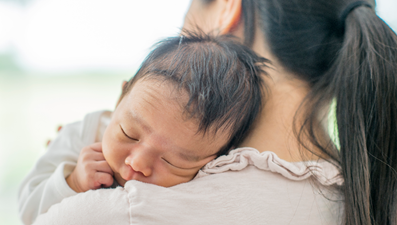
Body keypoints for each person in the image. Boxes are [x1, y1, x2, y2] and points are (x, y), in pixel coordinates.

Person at [27, 0, 397, 224]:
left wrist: (67, 183)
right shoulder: (372, 197)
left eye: (178, 159)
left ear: (226, 7)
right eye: (129, 132)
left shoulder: (116, 213)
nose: (137, 164)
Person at [18, 33, 267, 224]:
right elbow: (28, 211)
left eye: (173, 161)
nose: (137, 163)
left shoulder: (216, 180)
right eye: (128, 134)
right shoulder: (84, 133)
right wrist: (72, 182)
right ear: (119, 99)